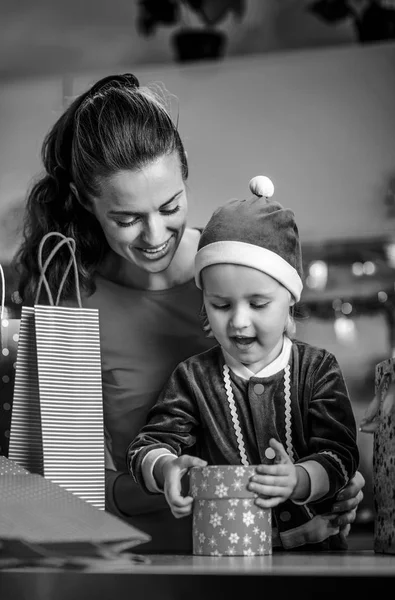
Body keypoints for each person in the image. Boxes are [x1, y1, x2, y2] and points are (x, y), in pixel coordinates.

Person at [16, 73, 364, 553]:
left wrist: (325, 479)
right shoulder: (69, 303)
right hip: (148, 565)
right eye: (127, 218)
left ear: (185, 176)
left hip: (280, 556)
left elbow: (298, 405)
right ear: (84, 202)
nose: (155, 234)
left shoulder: (240, 267)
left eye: (170, 205)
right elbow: (71, 484)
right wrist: (164, 478)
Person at [127, 176, 360, 551]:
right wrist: (164, 467)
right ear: (204, 306)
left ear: (289, 300)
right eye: (221, 305)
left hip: (317, 553)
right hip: (226, 552)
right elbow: (149, 443)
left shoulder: (317, 370)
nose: (237, 321)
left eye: (258, 304)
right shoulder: (194, 378)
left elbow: (341, 453)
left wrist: (299, 479)